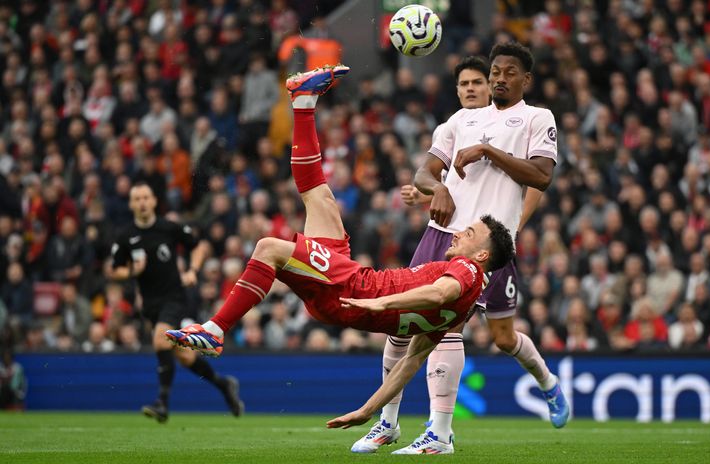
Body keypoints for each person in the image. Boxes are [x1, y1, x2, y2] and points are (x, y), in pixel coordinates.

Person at [165, 65, 516, 442]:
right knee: (320, 198)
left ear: (481, 256)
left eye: (471, 232)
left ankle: (216, 330)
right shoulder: (457, 313)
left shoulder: (464, 272)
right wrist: (367, 410)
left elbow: (438, 292)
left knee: (268, 247)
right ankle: (303, 102)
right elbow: (409, 365)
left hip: (351, 289)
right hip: (350, 289)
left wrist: (384, 305)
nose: (461, 231)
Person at [353, 42, 568, 455]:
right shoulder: (460, 120)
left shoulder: (537, 118)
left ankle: (544, 384)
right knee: (403, 324)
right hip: (441, 234)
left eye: (508, 73)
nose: (499, 78)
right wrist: (437, 190)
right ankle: (390, 423)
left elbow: (541, 177)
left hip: (487, 243)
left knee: (499, 338)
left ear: (526, 80)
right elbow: (423, 171)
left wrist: (489, 151)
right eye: (495, 72)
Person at [110, 182, 243, 423]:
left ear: (153, 202)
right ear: (131, 204)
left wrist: (193, 269)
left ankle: (162, 402)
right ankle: (224, 385)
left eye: (145, 197)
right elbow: (114, 270)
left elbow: (198, 247)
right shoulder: (126, 236)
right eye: (136, 198)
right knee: (184, 357)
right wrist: (131, 270)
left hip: (174, 297)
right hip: (150, 304)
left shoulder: (168, 228)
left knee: (160, 337)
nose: (141, 202)